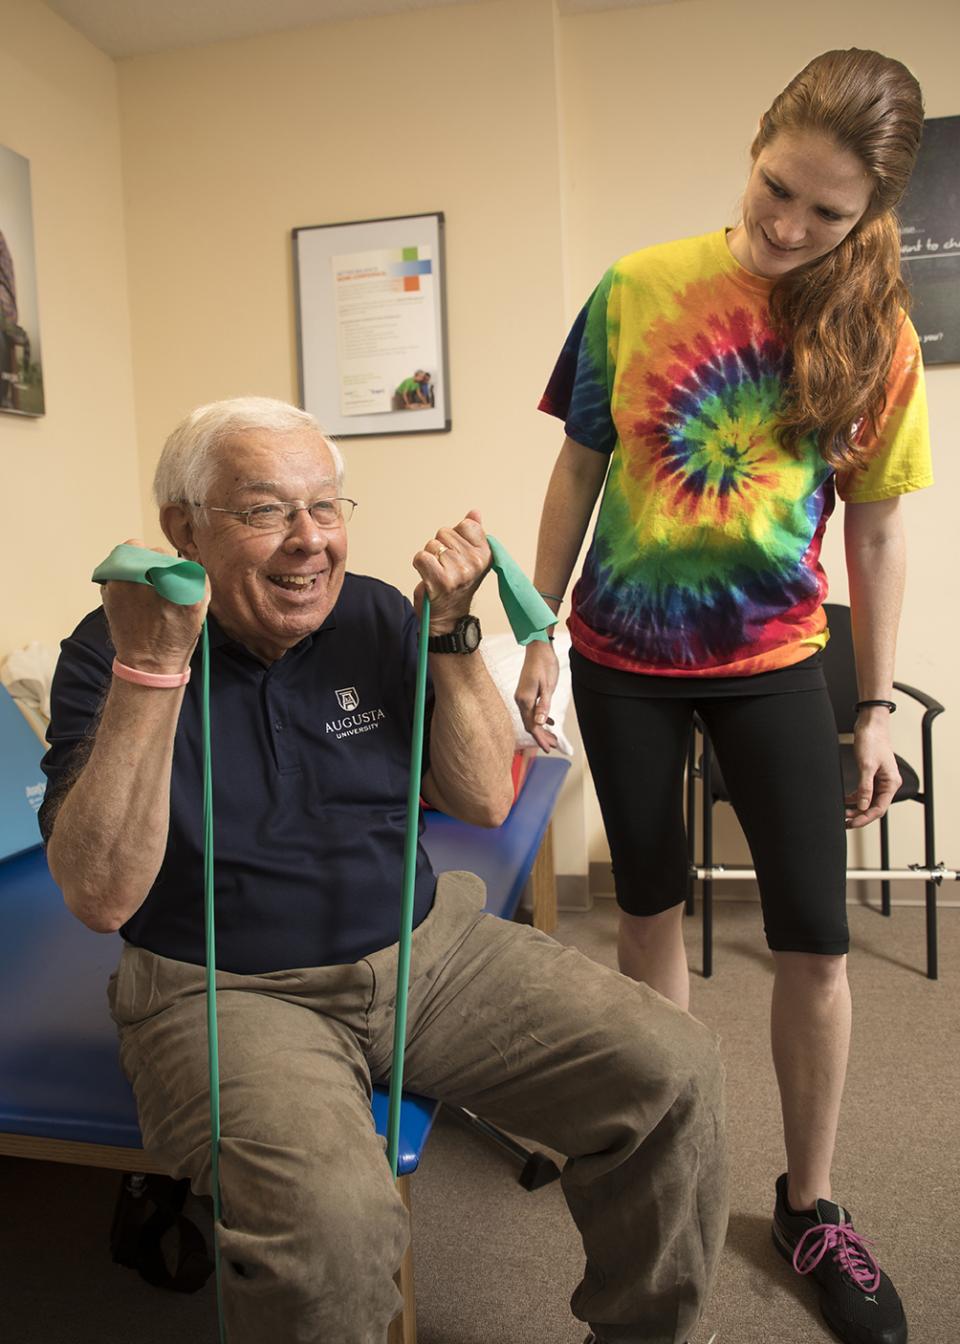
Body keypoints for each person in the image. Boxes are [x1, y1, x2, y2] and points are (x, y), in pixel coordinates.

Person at [40, 396, 726, 1344]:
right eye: (263, 510)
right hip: (225, 990)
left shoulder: (372, 613)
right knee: (333, 1230)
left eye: (326, 507)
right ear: (182, 530)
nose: (308, 541)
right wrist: (155, 667)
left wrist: (450, 633)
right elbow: (97, 895)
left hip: (427, 949)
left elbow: (486, 799)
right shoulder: (115, 645)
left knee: (672, 1067)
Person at [516, 48, 931, 1344]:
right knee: (644, 912)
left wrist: (870, 711)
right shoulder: (638, 288)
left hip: (776, 667)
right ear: (755, 147)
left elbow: (876, 536)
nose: (790, 227)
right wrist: (533, 631)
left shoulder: (877, 336)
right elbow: (577, 474)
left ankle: (811, 1205)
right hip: (620, 660)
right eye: (777, 190)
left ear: (869, 215)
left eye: (827, 213)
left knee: (813, 935)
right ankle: (668, 1154)